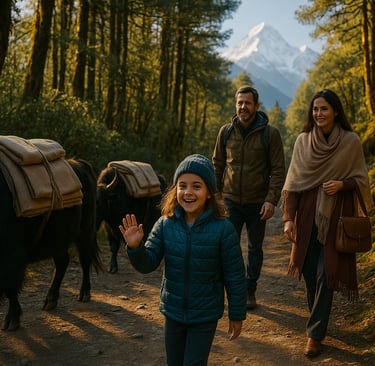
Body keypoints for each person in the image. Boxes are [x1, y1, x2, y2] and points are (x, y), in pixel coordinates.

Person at [119, 154, 247, 366]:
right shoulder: (164, 224)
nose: (188, 192)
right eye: (182, 186)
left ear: (208, 193)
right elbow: (148, 263)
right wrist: (135, 248)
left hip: (205, 315)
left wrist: (236, 314)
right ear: (175, 190)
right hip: (173, 312)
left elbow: (234, 276)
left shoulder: (223, 229)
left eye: (197, 186)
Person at [281, 89, 372, 358]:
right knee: (310, 273)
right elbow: (293, 185)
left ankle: (314, 335)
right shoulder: (302, 142)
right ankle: (317, 322)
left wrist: (343, 184)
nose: (318, 114)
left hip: (337, 217)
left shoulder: (351, 142)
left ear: (335, 111)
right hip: (307, 217)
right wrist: (288, 219)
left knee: (326, 273)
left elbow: (362, 181)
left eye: (324, 109)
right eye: (315, 109)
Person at [212, 85, 285, 310]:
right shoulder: (226, 132)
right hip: (230, 201)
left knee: (255, 249)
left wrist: (271, 200)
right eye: (240, 103)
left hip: (257, 204)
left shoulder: (269, 134)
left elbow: (278, 170)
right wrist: (215, 197)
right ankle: (234, 290)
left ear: (256, 105)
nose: (243, 107)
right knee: (228, 248)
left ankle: (249, 290)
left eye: (248, 103)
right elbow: (217, 165)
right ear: (236, 105)